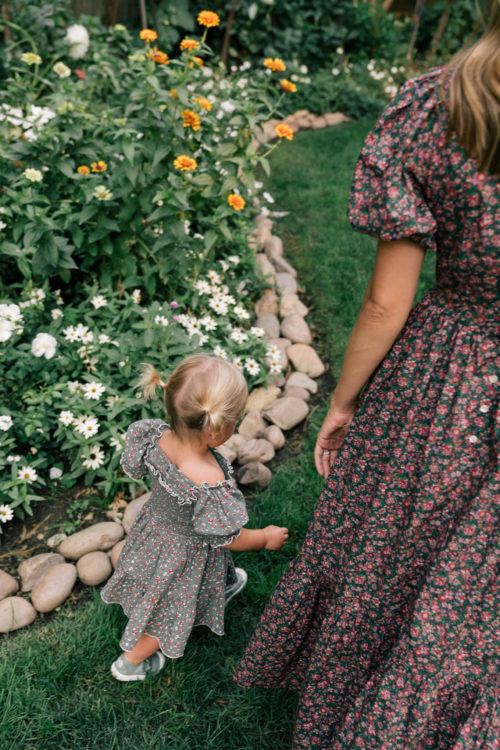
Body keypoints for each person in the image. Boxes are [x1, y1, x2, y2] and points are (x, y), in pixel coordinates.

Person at [234, 3, 499, 747]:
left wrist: (345, 401)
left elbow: (389, 298)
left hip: (460, 364)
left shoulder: (441, 104)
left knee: (397, 539)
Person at [101, 354, 288, 682]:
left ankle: (221, 589)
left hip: (155, 533)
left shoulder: (156, 436)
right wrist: (264, 538)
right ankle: (130, 663)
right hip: (183, 556)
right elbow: (229, 537)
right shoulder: (207, 480)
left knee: (156, 584)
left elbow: (134, 467)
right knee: (167, 614)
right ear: (218, 430)